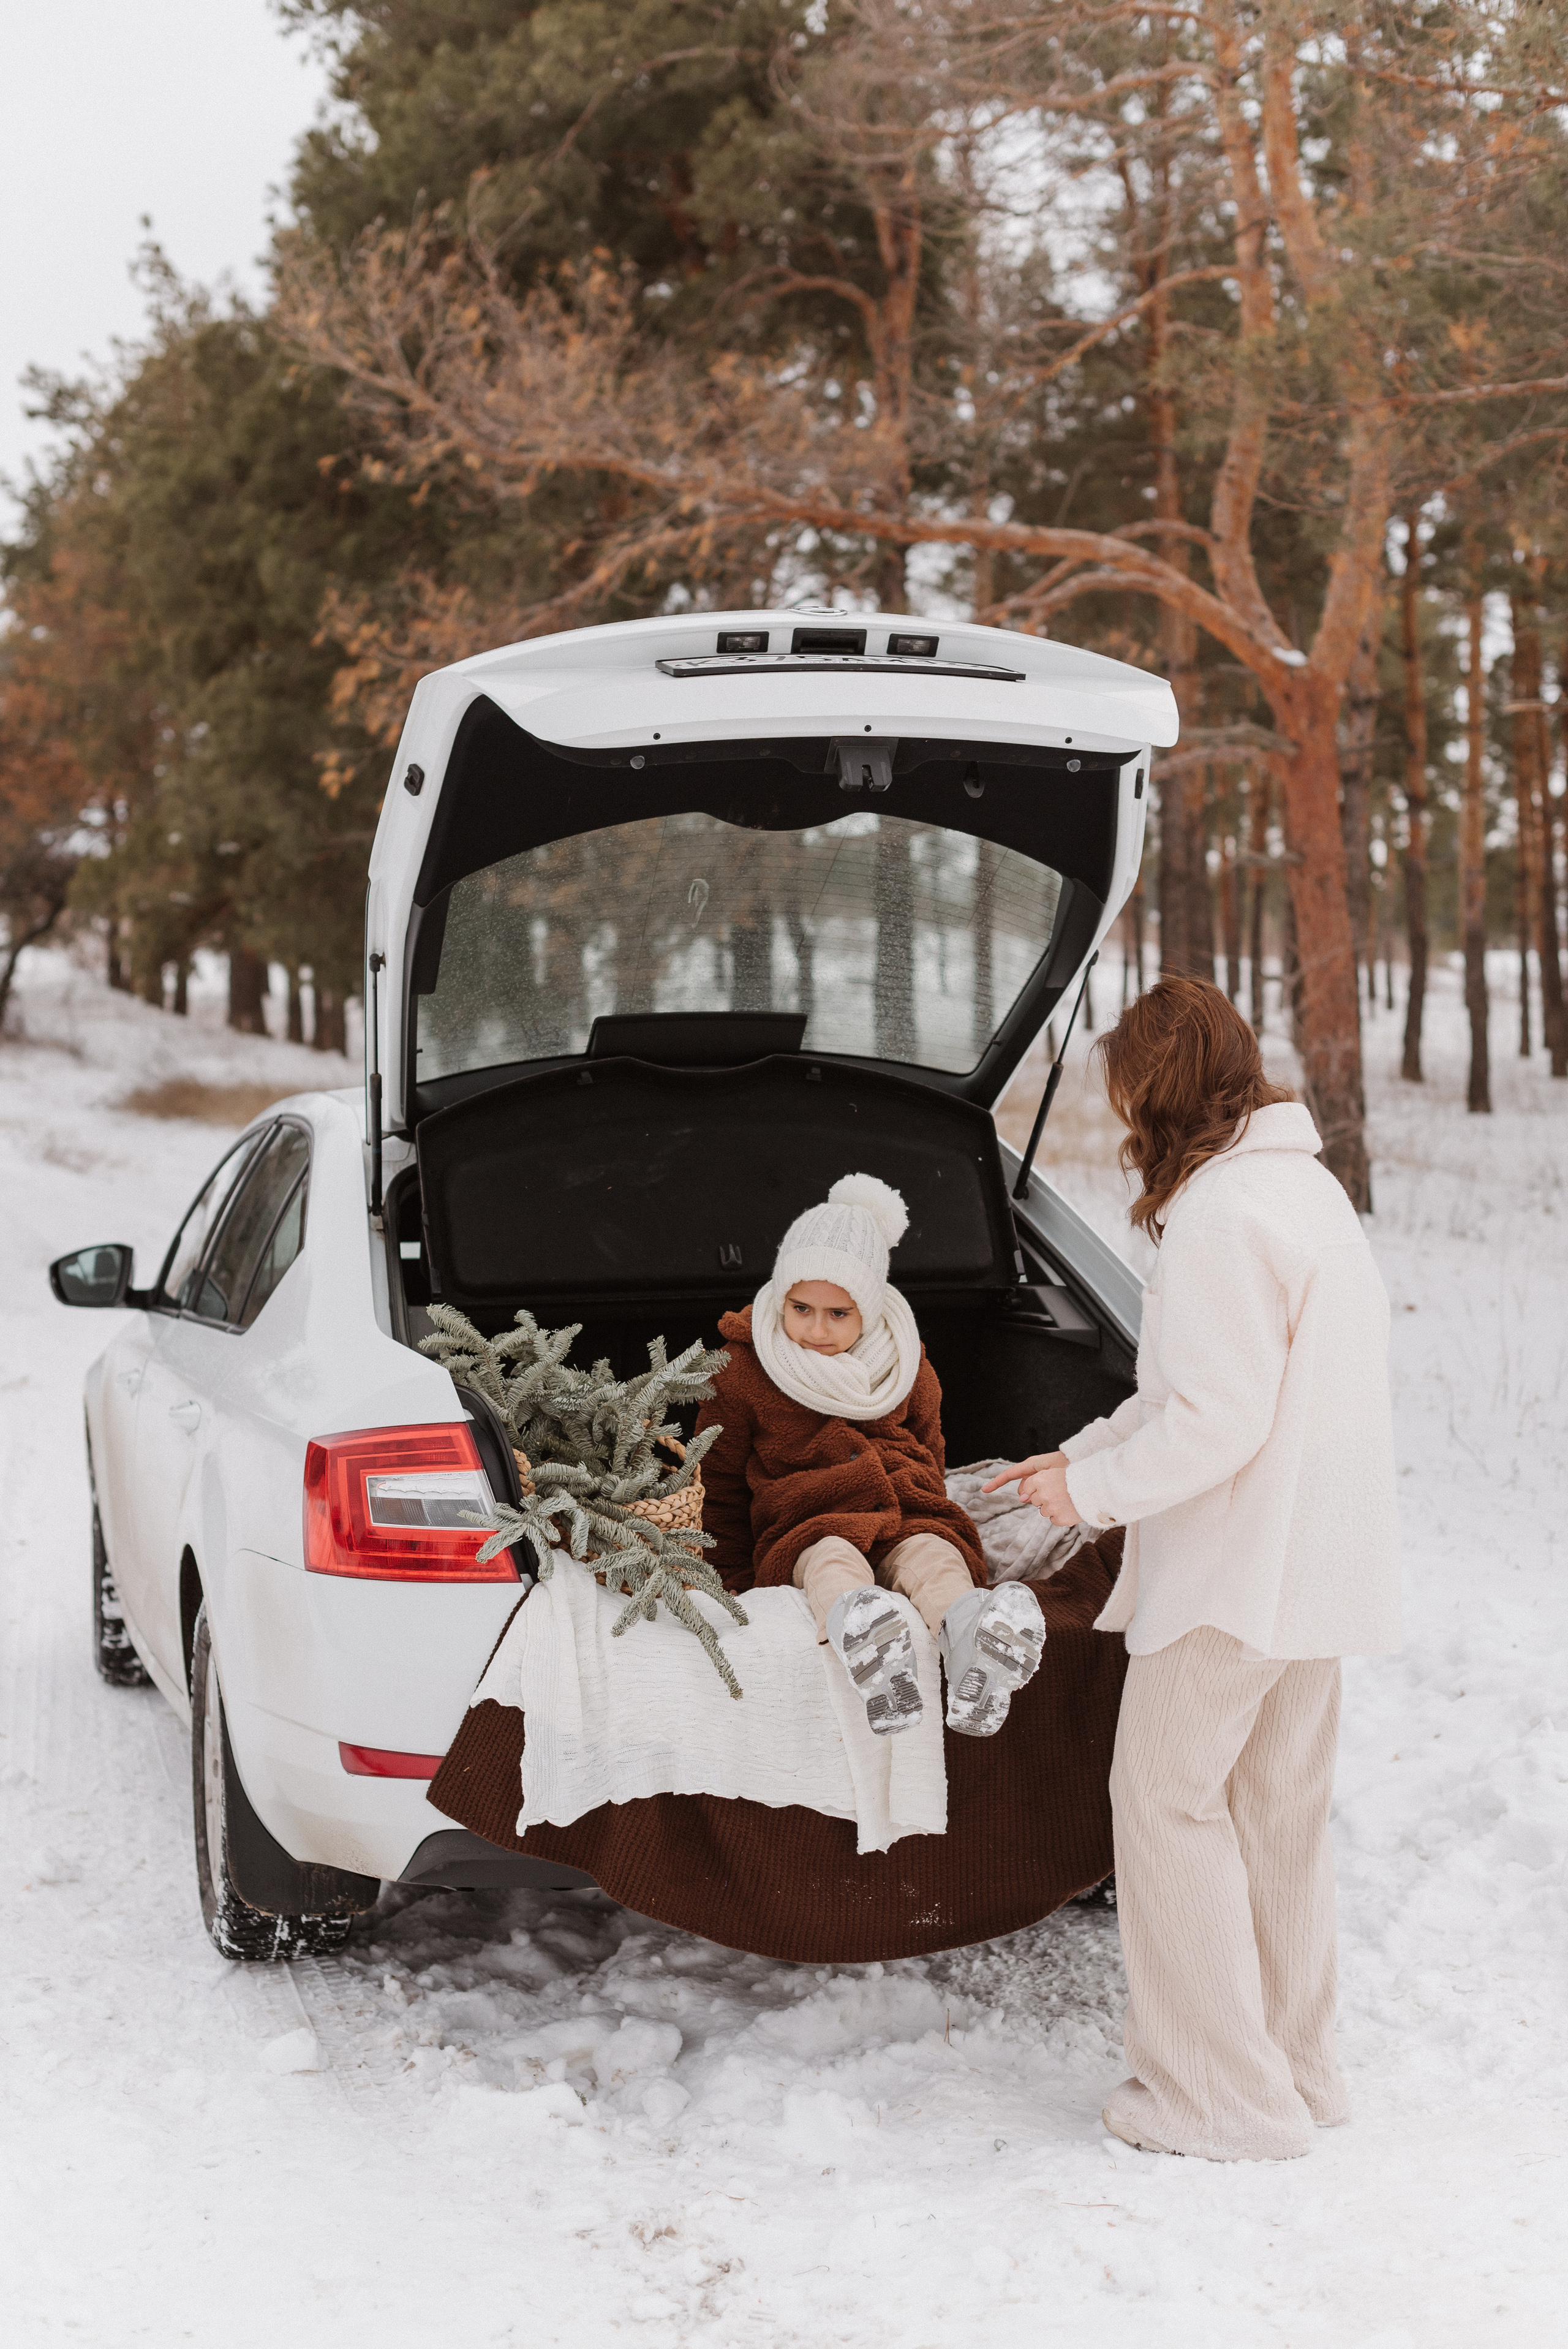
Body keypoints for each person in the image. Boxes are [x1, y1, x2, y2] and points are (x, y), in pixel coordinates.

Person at [987, 977, 1399, 2163]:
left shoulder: (1222, 1217)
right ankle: (1295, 2069)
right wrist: (1066, 1457)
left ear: (1151, 1092)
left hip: (1236, 1572)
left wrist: (1094, 1495)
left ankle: (1214, 2101)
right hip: (1315, 1566)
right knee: (1274, 1814)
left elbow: (1214, 1421)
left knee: (1164, 1807)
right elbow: (1185, 1396)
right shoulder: (1298, 1189)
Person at [696, 1173, 1046, 1737]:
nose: (815, 1330)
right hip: (808, 1519)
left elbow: (931, 1456)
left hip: (906, 1510)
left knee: (935, 1555)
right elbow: (720, 1482)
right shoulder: (744, 1370)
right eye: (801, 1307)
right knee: (832, 1561)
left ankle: (972, 1643)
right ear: (780, 1294)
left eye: (839, 1314)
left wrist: (932, 1512)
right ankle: (872, 1647)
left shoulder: (904, 1364)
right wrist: (732, 1576)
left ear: (872, 1309)